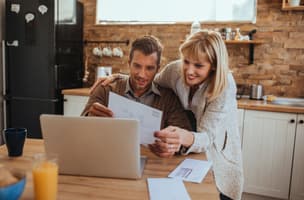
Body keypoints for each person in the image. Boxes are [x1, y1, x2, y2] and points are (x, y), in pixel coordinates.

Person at [91, 30, 244, 200]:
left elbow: (207, 137)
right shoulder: (174, 71)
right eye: (186, 61)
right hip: (189, 142)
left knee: (218, 193)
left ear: (214, 66)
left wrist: (182, 138)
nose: (189, 71)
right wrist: (121, 78)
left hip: (218, 147)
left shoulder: (225, 86)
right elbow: (148, 80)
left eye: (199, 66)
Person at [82, 35, 192, 157]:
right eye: (137, 66)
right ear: (129, 63)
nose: (142, 74)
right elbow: (81, 128)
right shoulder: (106, 88)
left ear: (158, 69)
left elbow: (184, 137)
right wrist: (90, 118)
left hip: (152, 162)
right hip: (108, 157)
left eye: (149, 68)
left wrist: (173, 145)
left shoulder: (168, 98)